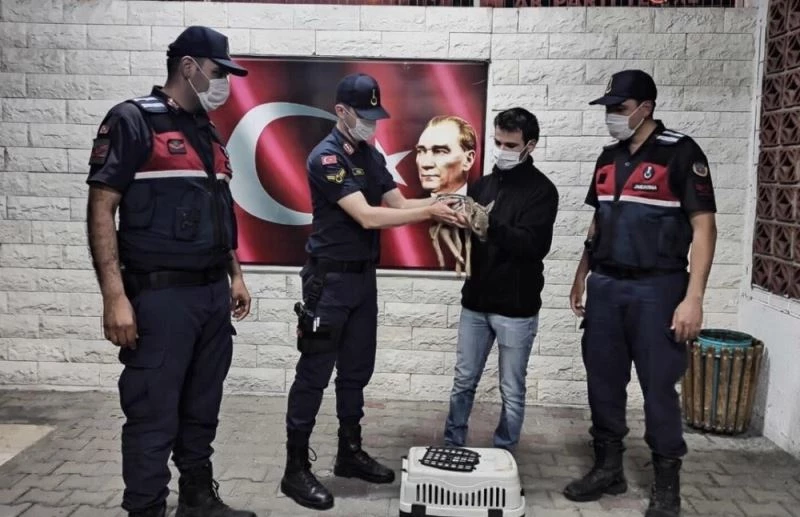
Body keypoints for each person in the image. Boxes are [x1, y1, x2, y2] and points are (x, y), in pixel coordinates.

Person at [85, 26, 256, 517]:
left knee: (202, 408)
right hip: (160, 298)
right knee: (152, 413)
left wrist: (236, 274)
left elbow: (219, 209)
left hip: (210, 296)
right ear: (189, 67)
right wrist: (114, 297)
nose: (223, 82)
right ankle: (146, 508)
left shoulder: (206, 130)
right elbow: (102, 208)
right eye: (218, 71)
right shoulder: (133, 120)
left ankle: (198, 499)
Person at [280, 72, 464, 511]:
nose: (371, 123)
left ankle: (349, 452)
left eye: (375, 116)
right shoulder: (326, 158)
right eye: (364, 115)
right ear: (341, 111)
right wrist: (431, 213)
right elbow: (366, 216)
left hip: (363, 280)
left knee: (356, 370)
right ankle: (295, 468)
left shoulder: (368, 153)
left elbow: (397, 203)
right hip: (329, 283)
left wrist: (442, 202)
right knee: (314, 373)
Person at [563, 70, 717, 517]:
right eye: (609, 108)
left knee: (658, 388)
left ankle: (667, 484)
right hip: (607, 286)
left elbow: (704, 227)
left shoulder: (681, 152)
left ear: (646, 108)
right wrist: (582, 273)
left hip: (658, 288)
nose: (612, 115)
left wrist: (694, 298)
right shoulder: (608, 156)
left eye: (621, 108)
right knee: (603, 380)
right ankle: (608, 468)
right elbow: (598, 221)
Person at [443, 107, 559, 453]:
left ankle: (505, 451)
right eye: (497, 142)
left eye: (511, 145)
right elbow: (473, 240)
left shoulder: (542, 191)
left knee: (512, 388)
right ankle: (452, 444)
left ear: (530, 146)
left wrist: (489, 225)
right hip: (476, 302)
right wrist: (457, 225)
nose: (502, 150)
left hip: (516, 307)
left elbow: (533, 245)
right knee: (463, 380)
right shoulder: (482, 185)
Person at [415, 115, 477, 195]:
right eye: (421, 151)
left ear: (468, 160)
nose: (425, 164)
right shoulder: (406, 203)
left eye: (440, 152)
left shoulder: (487, 199)